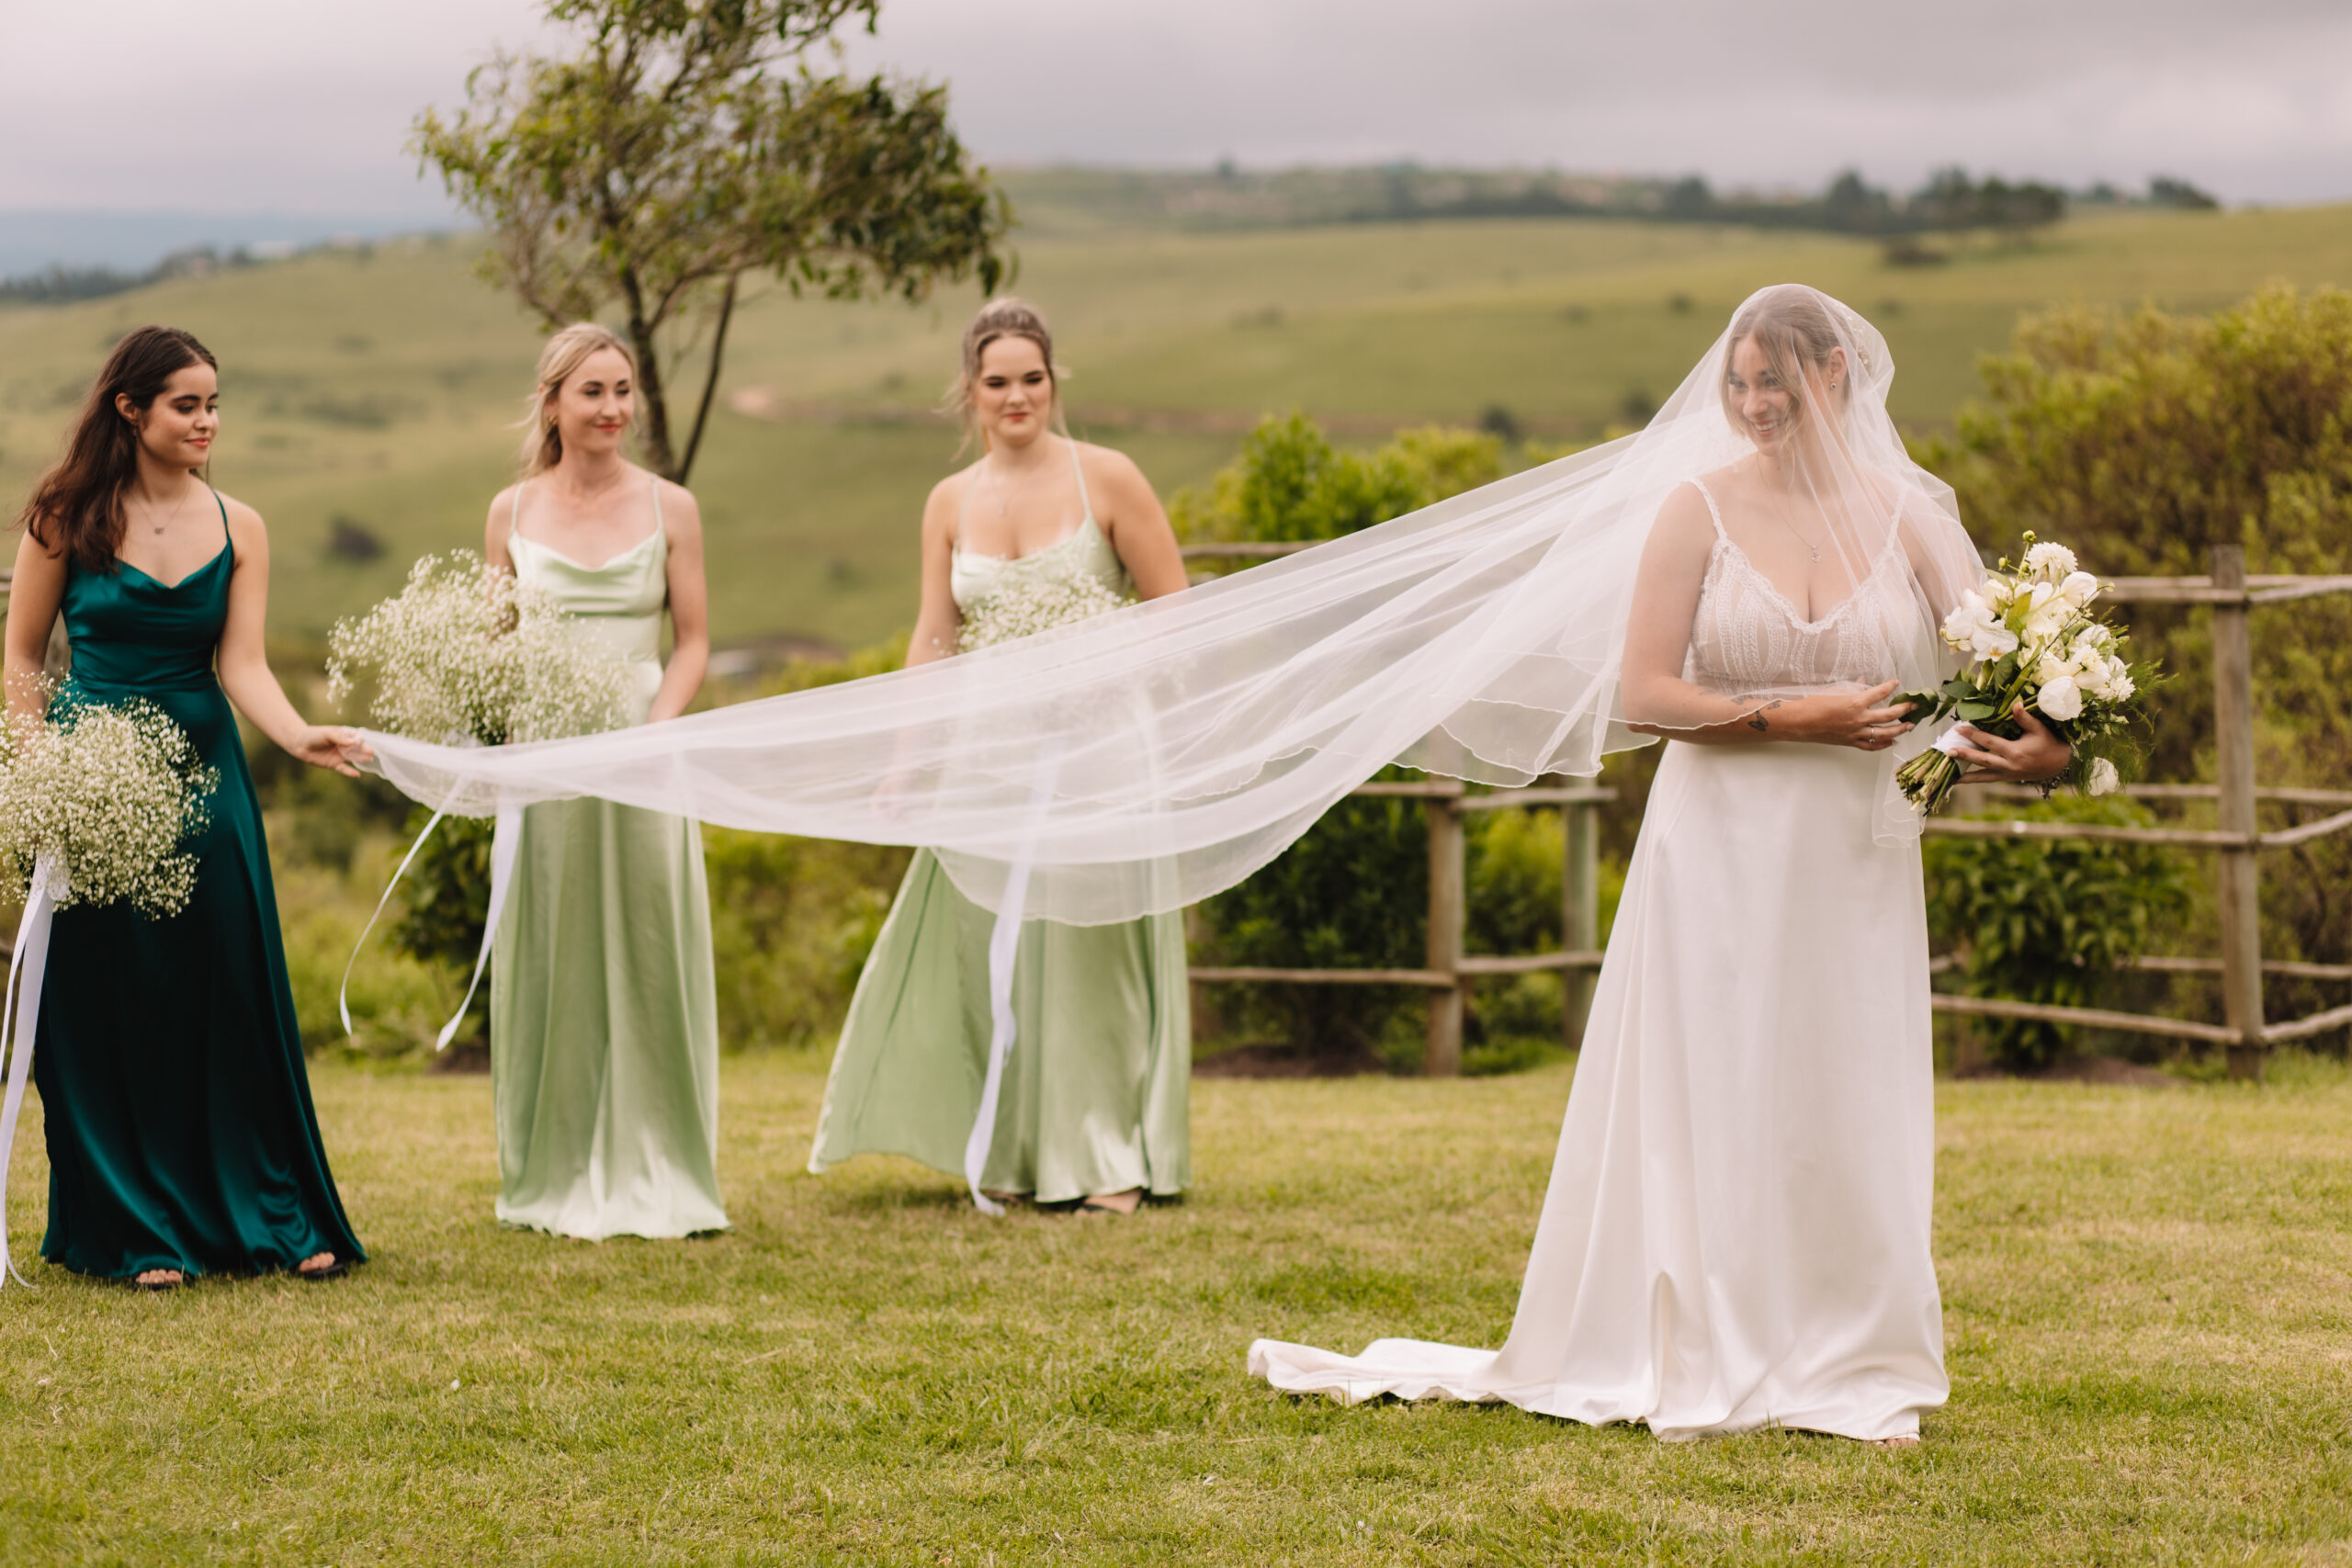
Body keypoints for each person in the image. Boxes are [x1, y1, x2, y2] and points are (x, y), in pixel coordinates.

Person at [1249, 286, 2067, 1444]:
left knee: (1838, 1081)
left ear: (1836, 374)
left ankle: (1843, 1338)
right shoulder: (1695, 508)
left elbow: (2006, 682)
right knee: (1717, 1075)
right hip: (1719, 843)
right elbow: (1646, 693)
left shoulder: (1915, 521)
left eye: (1774, 381)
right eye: (1737, 384)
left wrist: (2040, 747)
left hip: (1852, 856)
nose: (1752, 405)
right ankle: (1702, 1332)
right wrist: (1796, 717)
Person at [809, 298, 1193, 1214]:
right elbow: (932, 639)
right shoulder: (948, 502)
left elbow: (1173, 604)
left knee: (1087, 953)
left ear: (1054, 383)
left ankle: (1105, 1160)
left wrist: (1101, 676)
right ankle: (1014, 1149)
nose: (1016, 396)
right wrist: (907, 762)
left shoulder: (1110, 478)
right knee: (995, 951)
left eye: (1032, 378)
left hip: (1100, 749)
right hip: (990, 758)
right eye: (997, 382)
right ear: (970, 394)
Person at [5, 325, 366, 1289]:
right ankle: (131, 1231)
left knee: (228, 991)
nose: (208, 421)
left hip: (207, 773)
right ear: (130, 408)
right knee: (106, 999)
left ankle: (276, 1218)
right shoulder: (62, 511)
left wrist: (298, 736)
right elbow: (22, 658)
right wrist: (43, 774)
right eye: (187, 404)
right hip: (91, 778)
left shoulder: (240, 524)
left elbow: (240, 662)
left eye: (214, 404)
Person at [480, 322, 726, 1240]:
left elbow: (693, 639)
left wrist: (653, 734)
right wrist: (507, 749)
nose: (613, 409)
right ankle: (550, 1167)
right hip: (544, 754)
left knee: (649, 941)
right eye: (593, 392)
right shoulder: (510, 512)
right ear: (552, 402)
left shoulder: (674, 508)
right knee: (555, 948)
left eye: (623, 391)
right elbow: (496, 648)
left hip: (645, 747)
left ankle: (664, 1159)